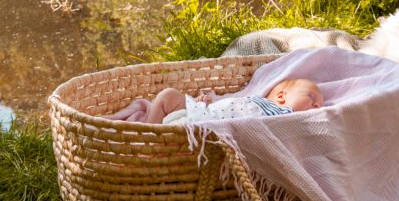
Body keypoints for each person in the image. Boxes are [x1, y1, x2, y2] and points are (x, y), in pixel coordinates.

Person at [108, 76, 322, 125]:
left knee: (167, 97)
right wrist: (205, 102)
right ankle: (149, 133)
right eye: (312, 98)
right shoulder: (264, 103)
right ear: (282, 97)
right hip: (204, 114)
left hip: (208, 129)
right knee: (168, 95)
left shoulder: (288, 121)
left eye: (320, 105)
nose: (317, 106)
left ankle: (150, 141)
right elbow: (228, 106)